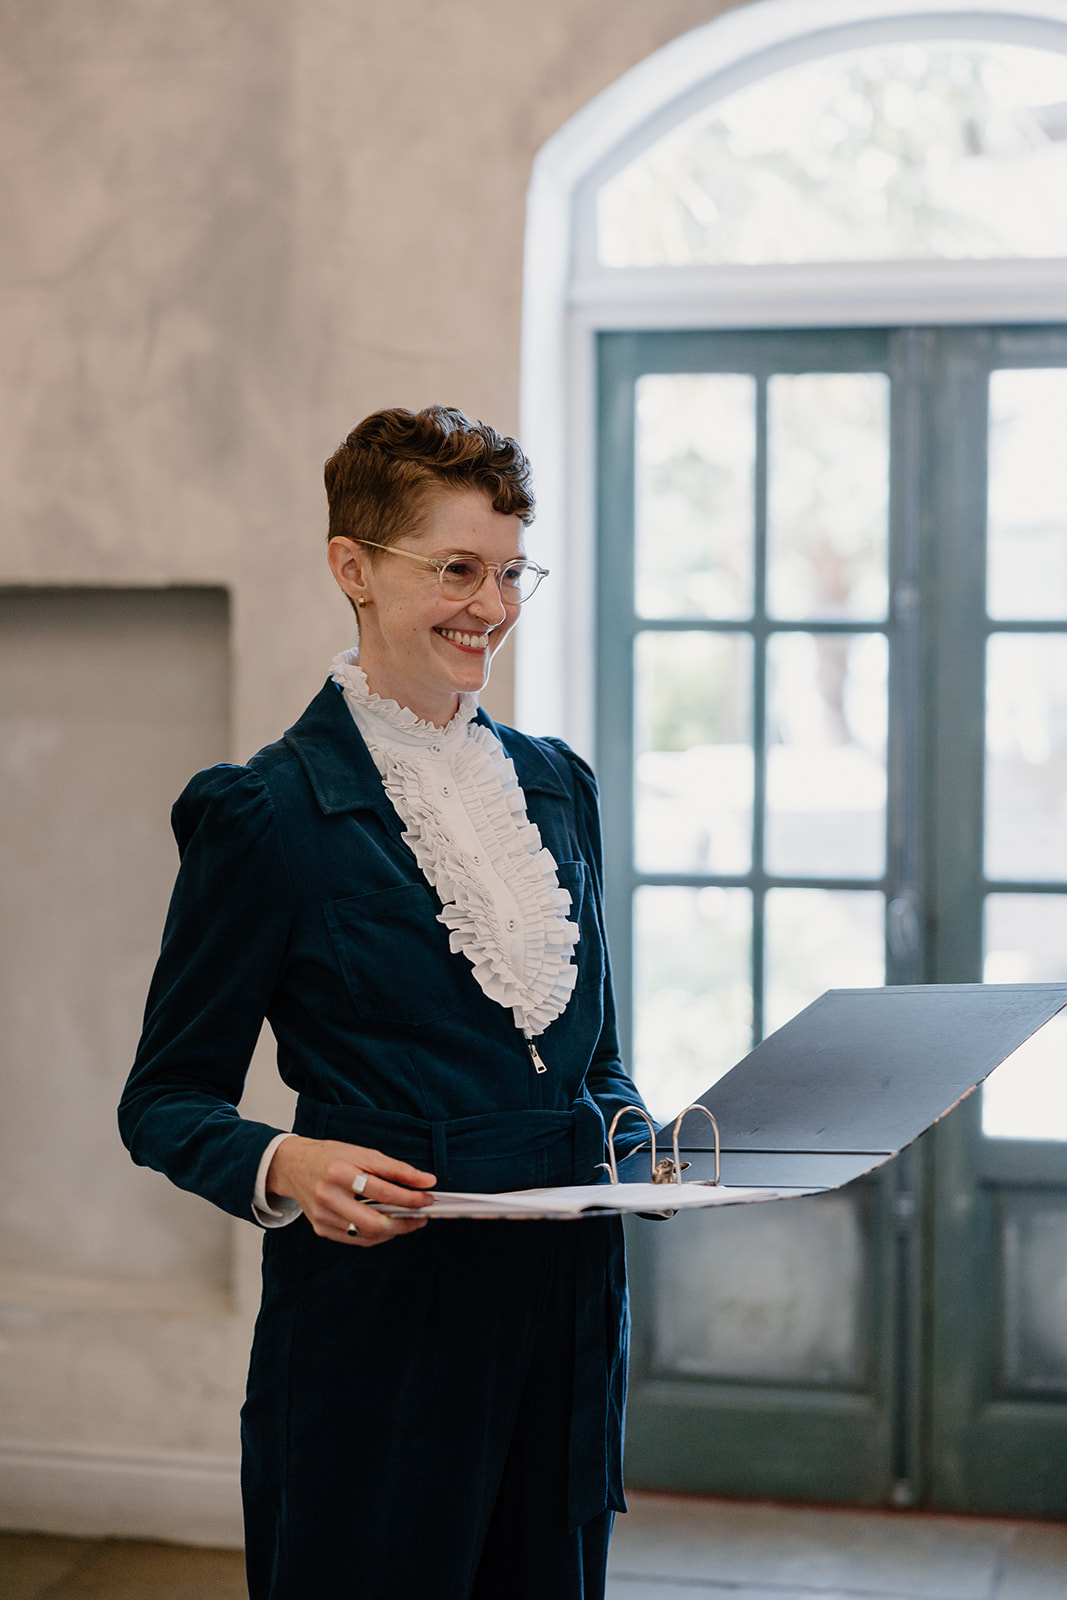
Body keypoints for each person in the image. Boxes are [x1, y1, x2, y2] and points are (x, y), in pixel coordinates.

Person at [118, 405, 650, 1600]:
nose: (494, 606)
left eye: (511, 571)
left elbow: (596, 1057)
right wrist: (284, 1165)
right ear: (351, 568)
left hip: (564, 1316)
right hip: (383, 1326)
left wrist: (636, 1143)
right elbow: (163, 1098)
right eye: (456, 569)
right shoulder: (265, 814)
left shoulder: (557, 788)